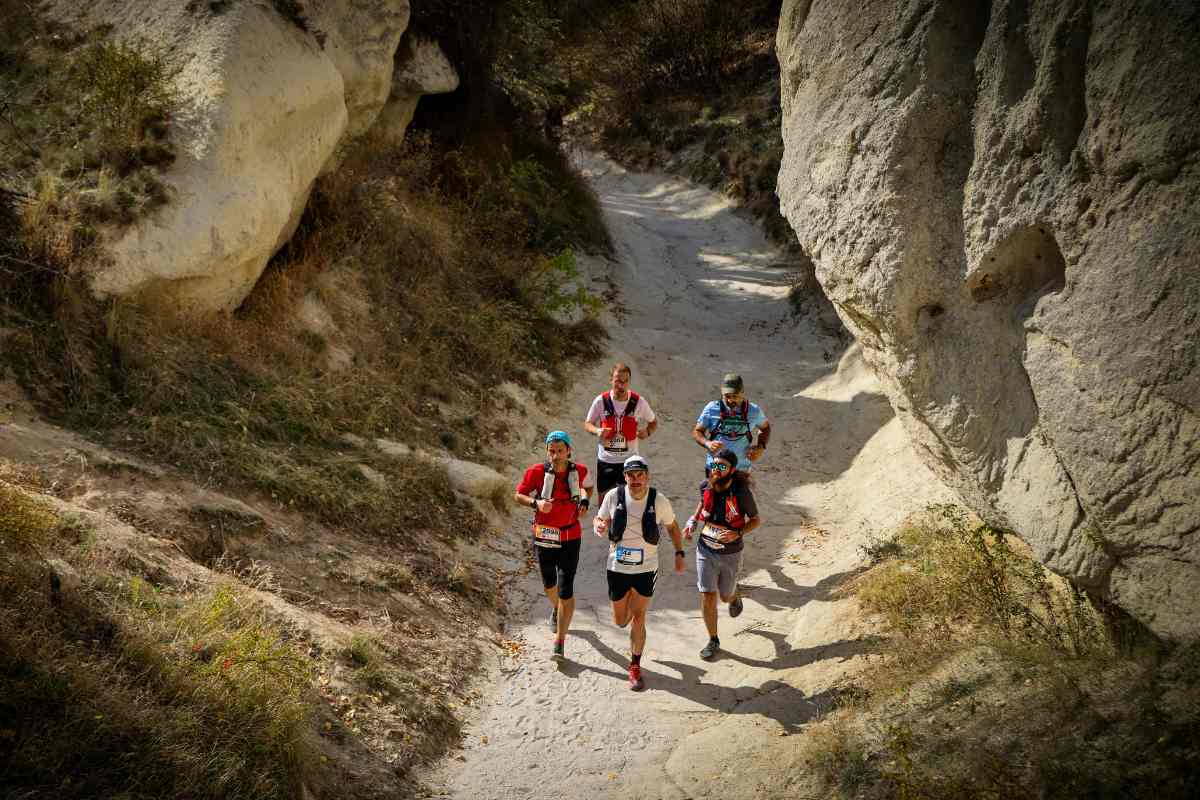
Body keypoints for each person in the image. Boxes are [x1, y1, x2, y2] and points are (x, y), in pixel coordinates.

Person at [593, 455, 685, 691]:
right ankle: (630, 616)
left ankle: (635, 665)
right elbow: (599, 519)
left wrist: (679, 552)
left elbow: (673, 527)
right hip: (617, 567)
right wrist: (599, 526)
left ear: (647, 476)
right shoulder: (614, 496)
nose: (635, 479)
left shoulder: (659, 500)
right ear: (624, 477)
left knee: (639, 616)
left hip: (646, 568)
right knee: (620, 620)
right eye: (630, 475)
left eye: (640, 474)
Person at [514, 431, 593, 661]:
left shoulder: (579, 471)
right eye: (552, 451)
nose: (556, 455)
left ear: (569, 450)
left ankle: (560, 641)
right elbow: (518, 494)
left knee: (566, 587)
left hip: (570, 536)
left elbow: (588, 487)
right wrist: (535, 503)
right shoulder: (536, 472)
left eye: (560, 451)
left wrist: (585, 500)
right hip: (545, 536)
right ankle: (557, 609)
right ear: (547, 451)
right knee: (549, 583)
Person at [683, 448, 761, 660]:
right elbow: (703, 503)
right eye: (714, 465)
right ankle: (713, 639)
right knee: (708, 595)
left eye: (722, 466)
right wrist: (692, 521)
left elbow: (755, 520)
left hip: (730, 554)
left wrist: (737, 533)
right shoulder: (706, 485)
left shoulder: (741, 492)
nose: (716, 469)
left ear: (732, 470)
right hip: (705, 549)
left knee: (725, 595)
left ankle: (734, 596)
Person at [583, 362, 658, 498]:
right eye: (618, 381)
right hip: (606, 460)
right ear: (611, 380)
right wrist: (598, 431)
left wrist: (647, 432)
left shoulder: (639, 402)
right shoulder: (601, 401)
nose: (621, 385)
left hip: (629, 461)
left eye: (625, 381)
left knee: (628, 500)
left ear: (629, 382)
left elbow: (653, 422)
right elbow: (588, 423)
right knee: (604, 498)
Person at [692, 373, 770, 476]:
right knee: (715, 490)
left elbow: (765, 428)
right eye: (727, 396)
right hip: (717, 466)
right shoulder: (711, 408)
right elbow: (697, 431)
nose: (730, 400)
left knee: (741, 492)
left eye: (735, 396)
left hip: (741, 467)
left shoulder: (753, 411)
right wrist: (707, 443)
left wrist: (761, 447)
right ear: (721, 392)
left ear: (742, 393)